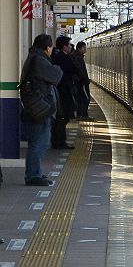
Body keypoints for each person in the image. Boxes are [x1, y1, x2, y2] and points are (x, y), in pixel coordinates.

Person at [20, 34, 63, 186]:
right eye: (51, 47)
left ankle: (35, 172)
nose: (52, 50)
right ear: (47, 47)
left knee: (39, 141)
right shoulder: (39, 60)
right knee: (39, 142)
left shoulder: (34, 57)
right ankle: (33, 175)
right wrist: (56, 67)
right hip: (40, 108)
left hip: (37, 107)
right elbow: (56, 75)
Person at [51, 36, 78, 149]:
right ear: (64, 46)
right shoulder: (64, 58)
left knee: (61, 117)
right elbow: (74, 69)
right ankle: (60, 142)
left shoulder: (57, 56)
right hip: (64, 91)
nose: (71, 46)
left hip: (60, 90)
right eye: (69, 45)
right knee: (63, 116)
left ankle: (58, 141)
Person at [72, 41, 92, 120]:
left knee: (82, 98)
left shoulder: (78, 57)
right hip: (81, 82)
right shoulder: (78, 58)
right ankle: (82, 115)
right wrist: (84, 79)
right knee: (84, 98)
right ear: (79, 48)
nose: (85, 49)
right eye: (84, 47)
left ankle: (81, 114)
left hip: (80, 81)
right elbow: (80, 70)